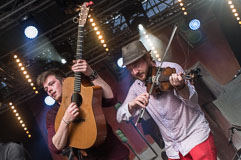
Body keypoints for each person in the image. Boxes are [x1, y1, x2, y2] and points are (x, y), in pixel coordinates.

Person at [117, 40, 217, 160]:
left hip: (195, 136)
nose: (135, 72)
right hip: (173, 149)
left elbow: (193, 101)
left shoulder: (171, 69)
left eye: (137, 65)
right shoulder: (136, 87)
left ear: (147, 57)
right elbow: (120, 116)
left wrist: (181, 86)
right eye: (130, 69)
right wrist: (131, 105)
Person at [37, 59, 129, 160]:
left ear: (64, 81)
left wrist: (91, 73)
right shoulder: (52, 114)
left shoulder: (83, 91)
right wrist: (65, 120)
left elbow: (111, 99)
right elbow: (55, 147)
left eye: (52, 84)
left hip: (116, 154)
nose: (49, 90)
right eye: (46, 89)